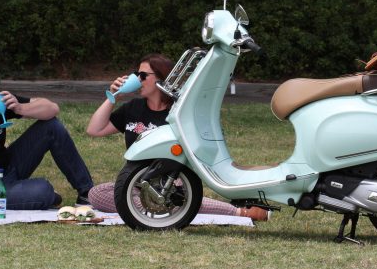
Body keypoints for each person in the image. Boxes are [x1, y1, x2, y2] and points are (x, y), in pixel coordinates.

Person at [86, 53, 270, 222]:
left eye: (143, 75)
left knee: (173, 197)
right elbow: (94, 129)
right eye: (136, 74)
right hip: (139, 181)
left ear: (161, 78)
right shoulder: (133, 108)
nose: (137, 79)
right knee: (97, 194)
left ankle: (240, 212)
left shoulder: (178, 113)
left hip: (173, 179)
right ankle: (153, 207)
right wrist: (113, 97)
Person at [0, 64, 93, 210]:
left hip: (8, 166)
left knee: (51, 126)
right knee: (43, 190)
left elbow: (52, 108)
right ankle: (40, 195)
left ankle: (87, 193)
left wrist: (19, 107)